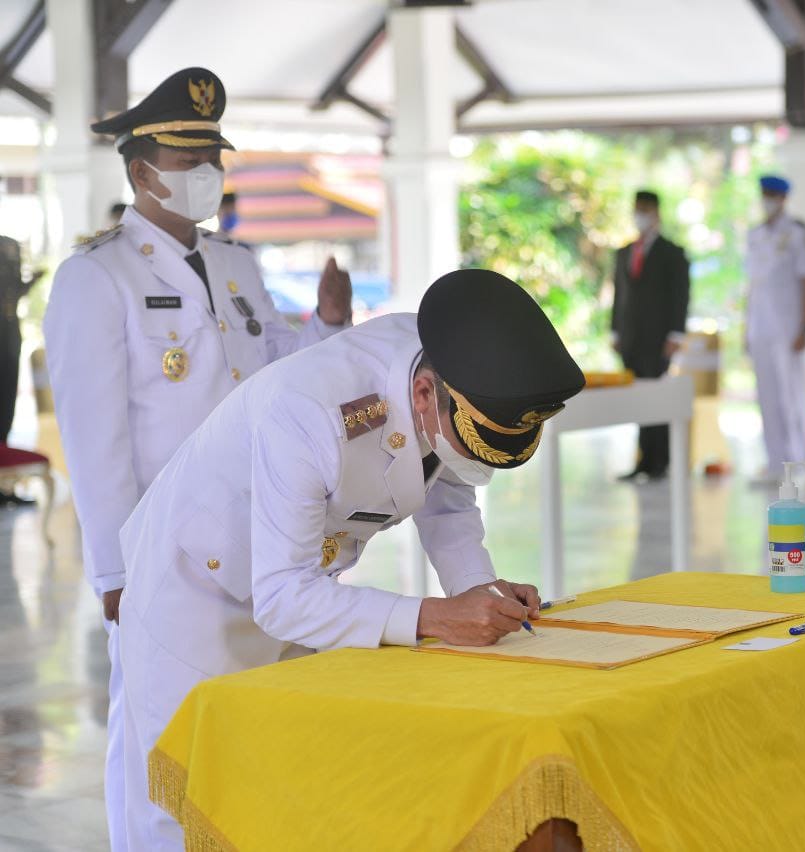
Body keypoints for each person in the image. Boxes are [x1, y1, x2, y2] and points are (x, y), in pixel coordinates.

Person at [117, 269, 584, 849]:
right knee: (186, 798)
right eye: (473, 448)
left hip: (304, 583)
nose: (477, 468)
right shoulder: (313, 408)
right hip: (195, 591)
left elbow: (447, 495)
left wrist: (480, 593)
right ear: (423, 394)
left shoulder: (450, 376)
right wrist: (437, 617)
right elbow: (283, 598)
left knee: (279, 789)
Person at [42, 67, 352, 851]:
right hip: (162, 548)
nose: (206, 175)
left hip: (257, 536)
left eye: (213, 157)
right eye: (188, 162)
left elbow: (283, 367)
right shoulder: (96, 277)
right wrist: (115, 571)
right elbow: (95, 436)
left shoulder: (238, 265)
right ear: (143, 172)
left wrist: (325, 322)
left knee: (244, 721)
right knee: (158, 737)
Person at [611, 189, 690, 481]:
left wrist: (676, 335)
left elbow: (680, 296)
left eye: (645, 209)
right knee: (638, 400)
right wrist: (614, 330)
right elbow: (620, 294)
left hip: (659, 340)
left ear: (656, 213)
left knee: (657, 397)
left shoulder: (672, 254)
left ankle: (661, 461)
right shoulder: (624, 252)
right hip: (630, 339)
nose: (640, 215)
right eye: (637, 208)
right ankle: (643, 460)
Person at [744, 175, 805, 482]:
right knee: (766, 397)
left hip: (788, 328)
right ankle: (775, 463)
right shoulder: (756, 235)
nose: (767, 199)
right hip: (760, 327)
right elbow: (752, 286)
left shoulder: (799, 234)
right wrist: (745, 329)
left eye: (772, 194)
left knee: (792, 397)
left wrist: (804, 326)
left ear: (784, 198)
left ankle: (797, 463)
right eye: (763, 194)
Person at [0, 233, 45, 506]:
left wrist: (31, 282)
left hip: (9, 333)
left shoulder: (10, 243)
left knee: (6, 410)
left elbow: (13, 291)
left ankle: (6, 485)